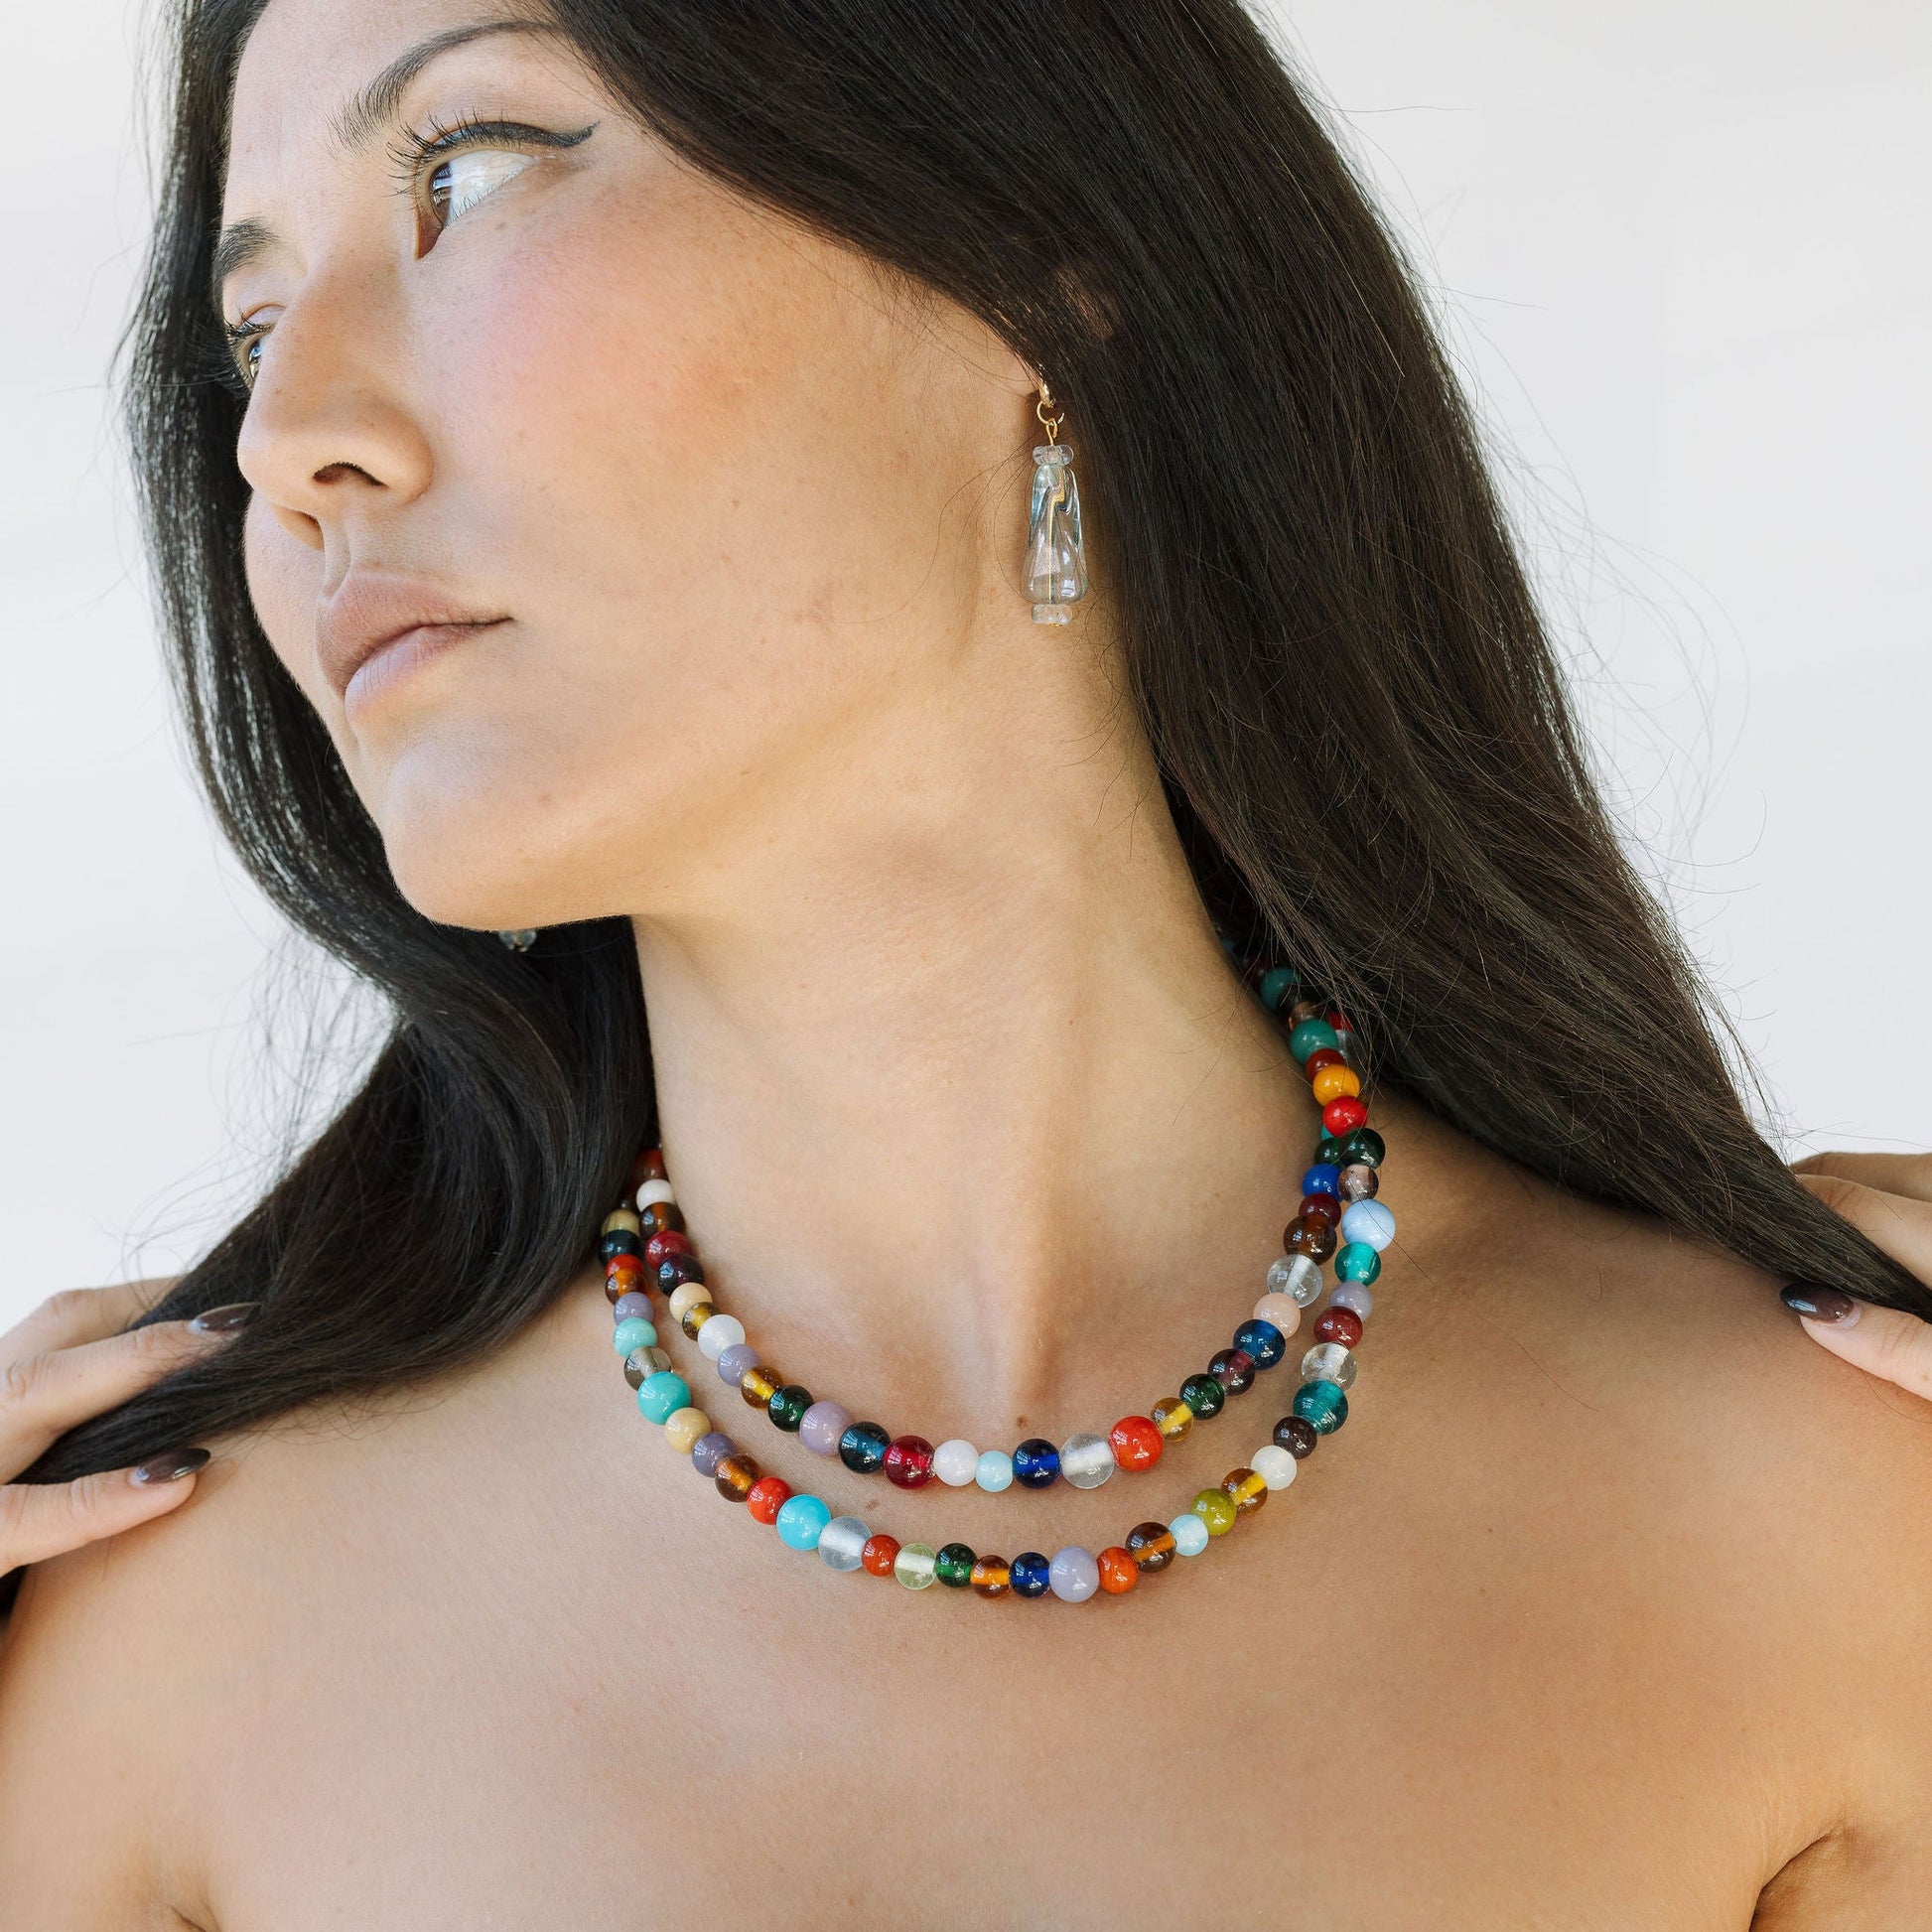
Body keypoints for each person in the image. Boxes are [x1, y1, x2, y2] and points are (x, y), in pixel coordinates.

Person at [0, 0, 1927, 1921]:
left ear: (1032, 261)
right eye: (248, 332)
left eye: (473, 172)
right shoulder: (156, 1622)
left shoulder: (1821, 1512)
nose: (289, 440)